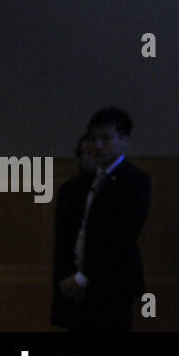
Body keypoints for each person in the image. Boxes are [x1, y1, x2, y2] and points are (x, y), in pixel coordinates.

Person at [54, 107, 151, 332]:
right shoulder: (88, 180)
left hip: (111, 285)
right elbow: (72, 233)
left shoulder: (135, 181)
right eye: (94, 138)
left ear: (124, 140)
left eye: (106, 138)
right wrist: (68, 275)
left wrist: (84, 277)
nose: (98, 145)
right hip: (80, 281)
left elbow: (122, 238)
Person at [51, 133, 96, 329]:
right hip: (70, 274)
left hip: (102, 280)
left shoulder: (114, 188)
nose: (85, 158)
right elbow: (62, 239)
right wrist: (66, 277)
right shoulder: (69, 190)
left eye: (90, 153)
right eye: (82, 153)